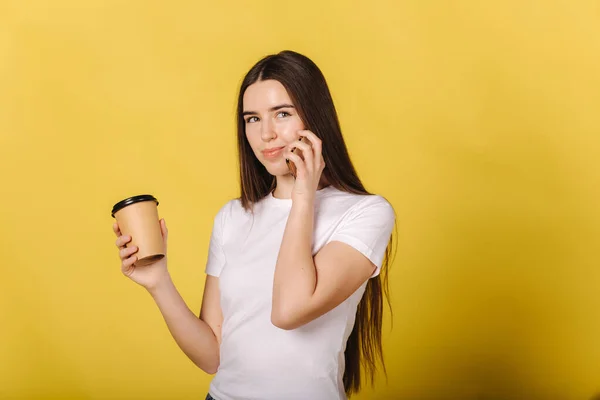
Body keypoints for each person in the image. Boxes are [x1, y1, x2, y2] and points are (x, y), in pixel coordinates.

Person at [112, 50, 396, 400]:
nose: (267, 134)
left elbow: (289, 310)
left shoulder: (365, 213)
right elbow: (212, 355)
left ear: (315, 117)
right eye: (252, 119)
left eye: (282, 114)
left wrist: (302, 197)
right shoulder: (233, 217)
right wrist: (158, 283)